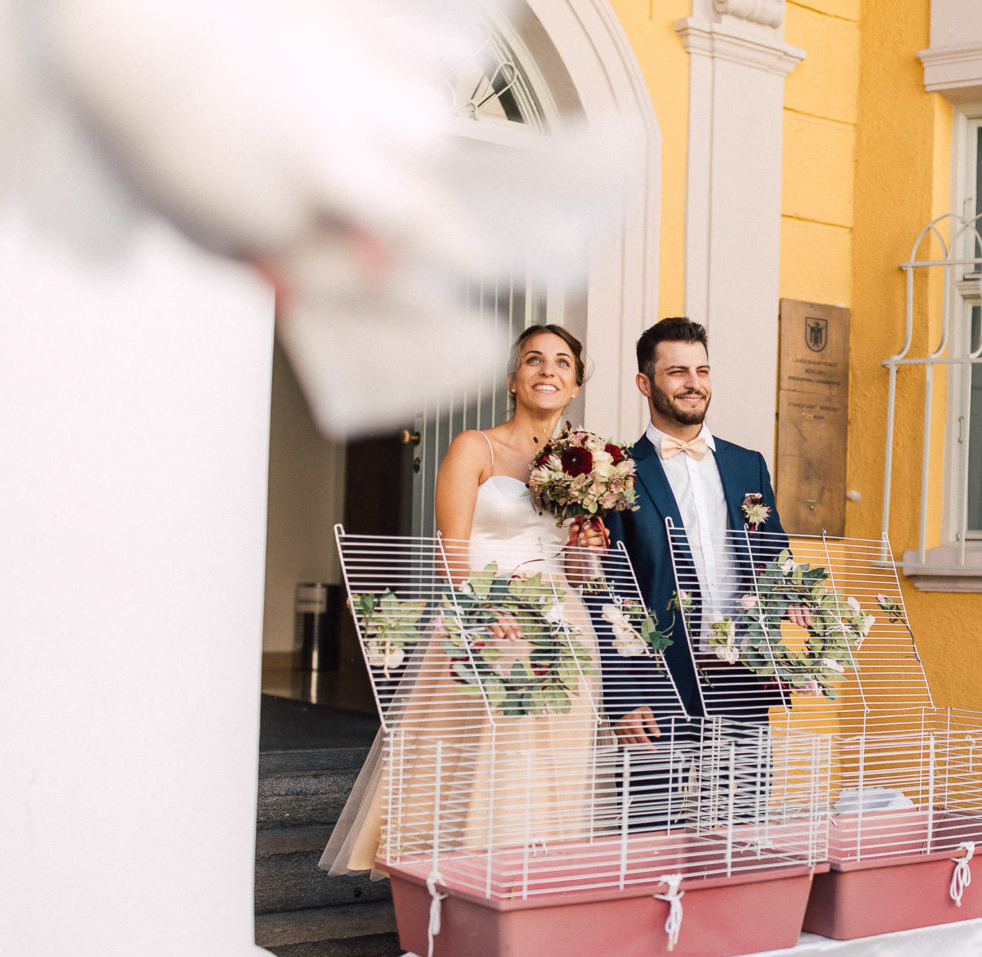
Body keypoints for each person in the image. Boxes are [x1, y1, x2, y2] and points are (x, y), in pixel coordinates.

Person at [320, 324, 608, 876]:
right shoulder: (473, 447)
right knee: (484, 766)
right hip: (489, 623)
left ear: (574, 386)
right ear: (512, 380)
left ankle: (539, 883)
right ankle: (468, 882)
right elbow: (451, 553)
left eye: (563, 363)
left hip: (563, 631)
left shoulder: (584, 462)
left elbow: (575, 569)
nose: (548, 370)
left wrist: (589, 547)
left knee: (552, 769)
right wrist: (486, 613)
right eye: (534, 360)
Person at [599, 317, 803, 756]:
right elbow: (607, 592)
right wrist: (623, 696)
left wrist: (801, 603)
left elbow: (777, 557)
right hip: (656, 683)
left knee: (742, 821)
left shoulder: (748, 465)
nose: (694, 384)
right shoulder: (616, 473)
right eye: (677, 372)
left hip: (741, 677)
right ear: (644, 381)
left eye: (702, 371)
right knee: (652, 820)